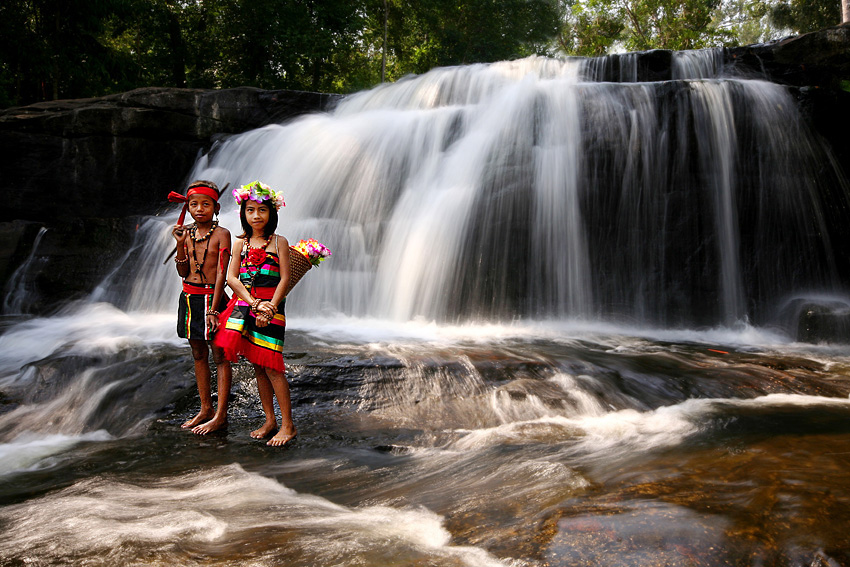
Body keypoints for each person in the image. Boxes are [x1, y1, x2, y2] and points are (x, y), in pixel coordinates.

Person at [214, 181, 296, 447]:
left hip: (273, 307)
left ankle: (288, 425)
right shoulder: (241, 244)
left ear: (272, 213)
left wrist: (270, 306)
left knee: (272, 366)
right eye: (250, 210)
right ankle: (269, 419)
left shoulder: (279, 242)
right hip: (248, 306)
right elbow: (232, 278)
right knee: (258, 367)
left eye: (262, 210)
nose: (256, 216)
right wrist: (253, 304)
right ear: (243, 214)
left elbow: (285, 278)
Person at [170, 180, 233, 435]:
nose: (199, 209)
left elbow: (221, 275)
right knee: (198, 354)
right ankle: (205, 408)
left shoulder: (222, 234)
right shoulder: (186, 233)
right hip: (189, 297)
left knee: (220, 355)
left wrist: (214, 310)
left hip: (213, 299)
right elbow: (182, 271)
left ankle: (221, 414)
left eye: (205, 204)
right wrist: (179, 243)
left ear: (215, 208)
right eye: (194, 204)